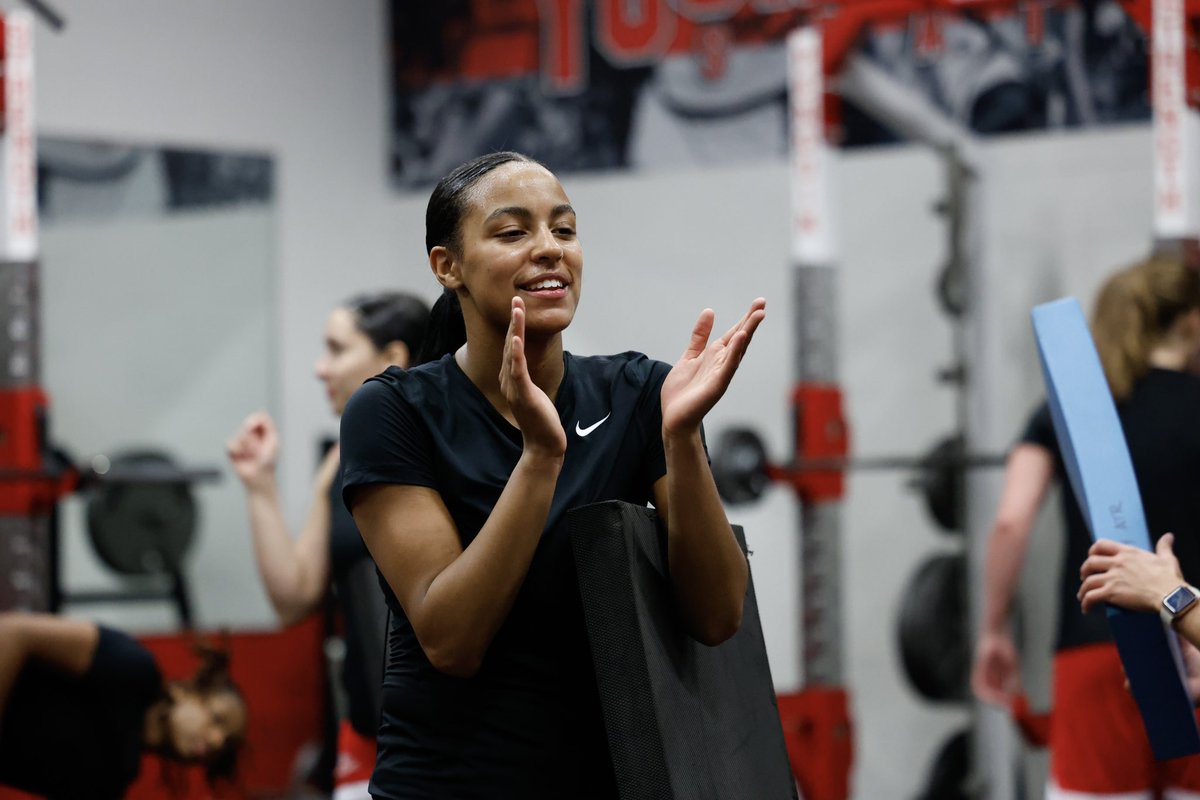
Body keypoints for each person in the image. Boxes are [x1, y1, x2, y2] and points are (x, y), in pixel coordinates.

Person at [339, 150, 764, 799]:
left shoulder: (638, 394)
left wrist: (679, 440)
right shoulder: (393, 411)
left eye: (563, 230)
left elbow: (715, 617)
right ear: (446, 266)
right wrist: (540, 460)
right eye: (513, 232)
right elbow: (452, 640)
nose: (549, 250)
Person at [971, 253, 1200, 798]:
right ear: (1190, 321)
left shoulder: (1066, 411)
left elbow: (1010, 521)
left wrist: (993, 629)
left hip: (1100, 649)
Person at [225, 291, 429, 800]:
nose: (320, 369)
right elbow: (293, 595)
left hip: (444, 740)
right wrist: (259, 484)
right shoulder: (343, 458)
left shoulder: (440, 450)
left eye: (337, 350)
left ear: (393, 359)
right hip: (367, 737)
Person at [0, 611, 246, 800]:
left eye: (225, 743)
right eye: (216, 719)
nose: (216, 741)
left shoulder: (115, 778)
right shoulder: (134, 668)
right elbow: (12, 631)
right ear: (184, 692)